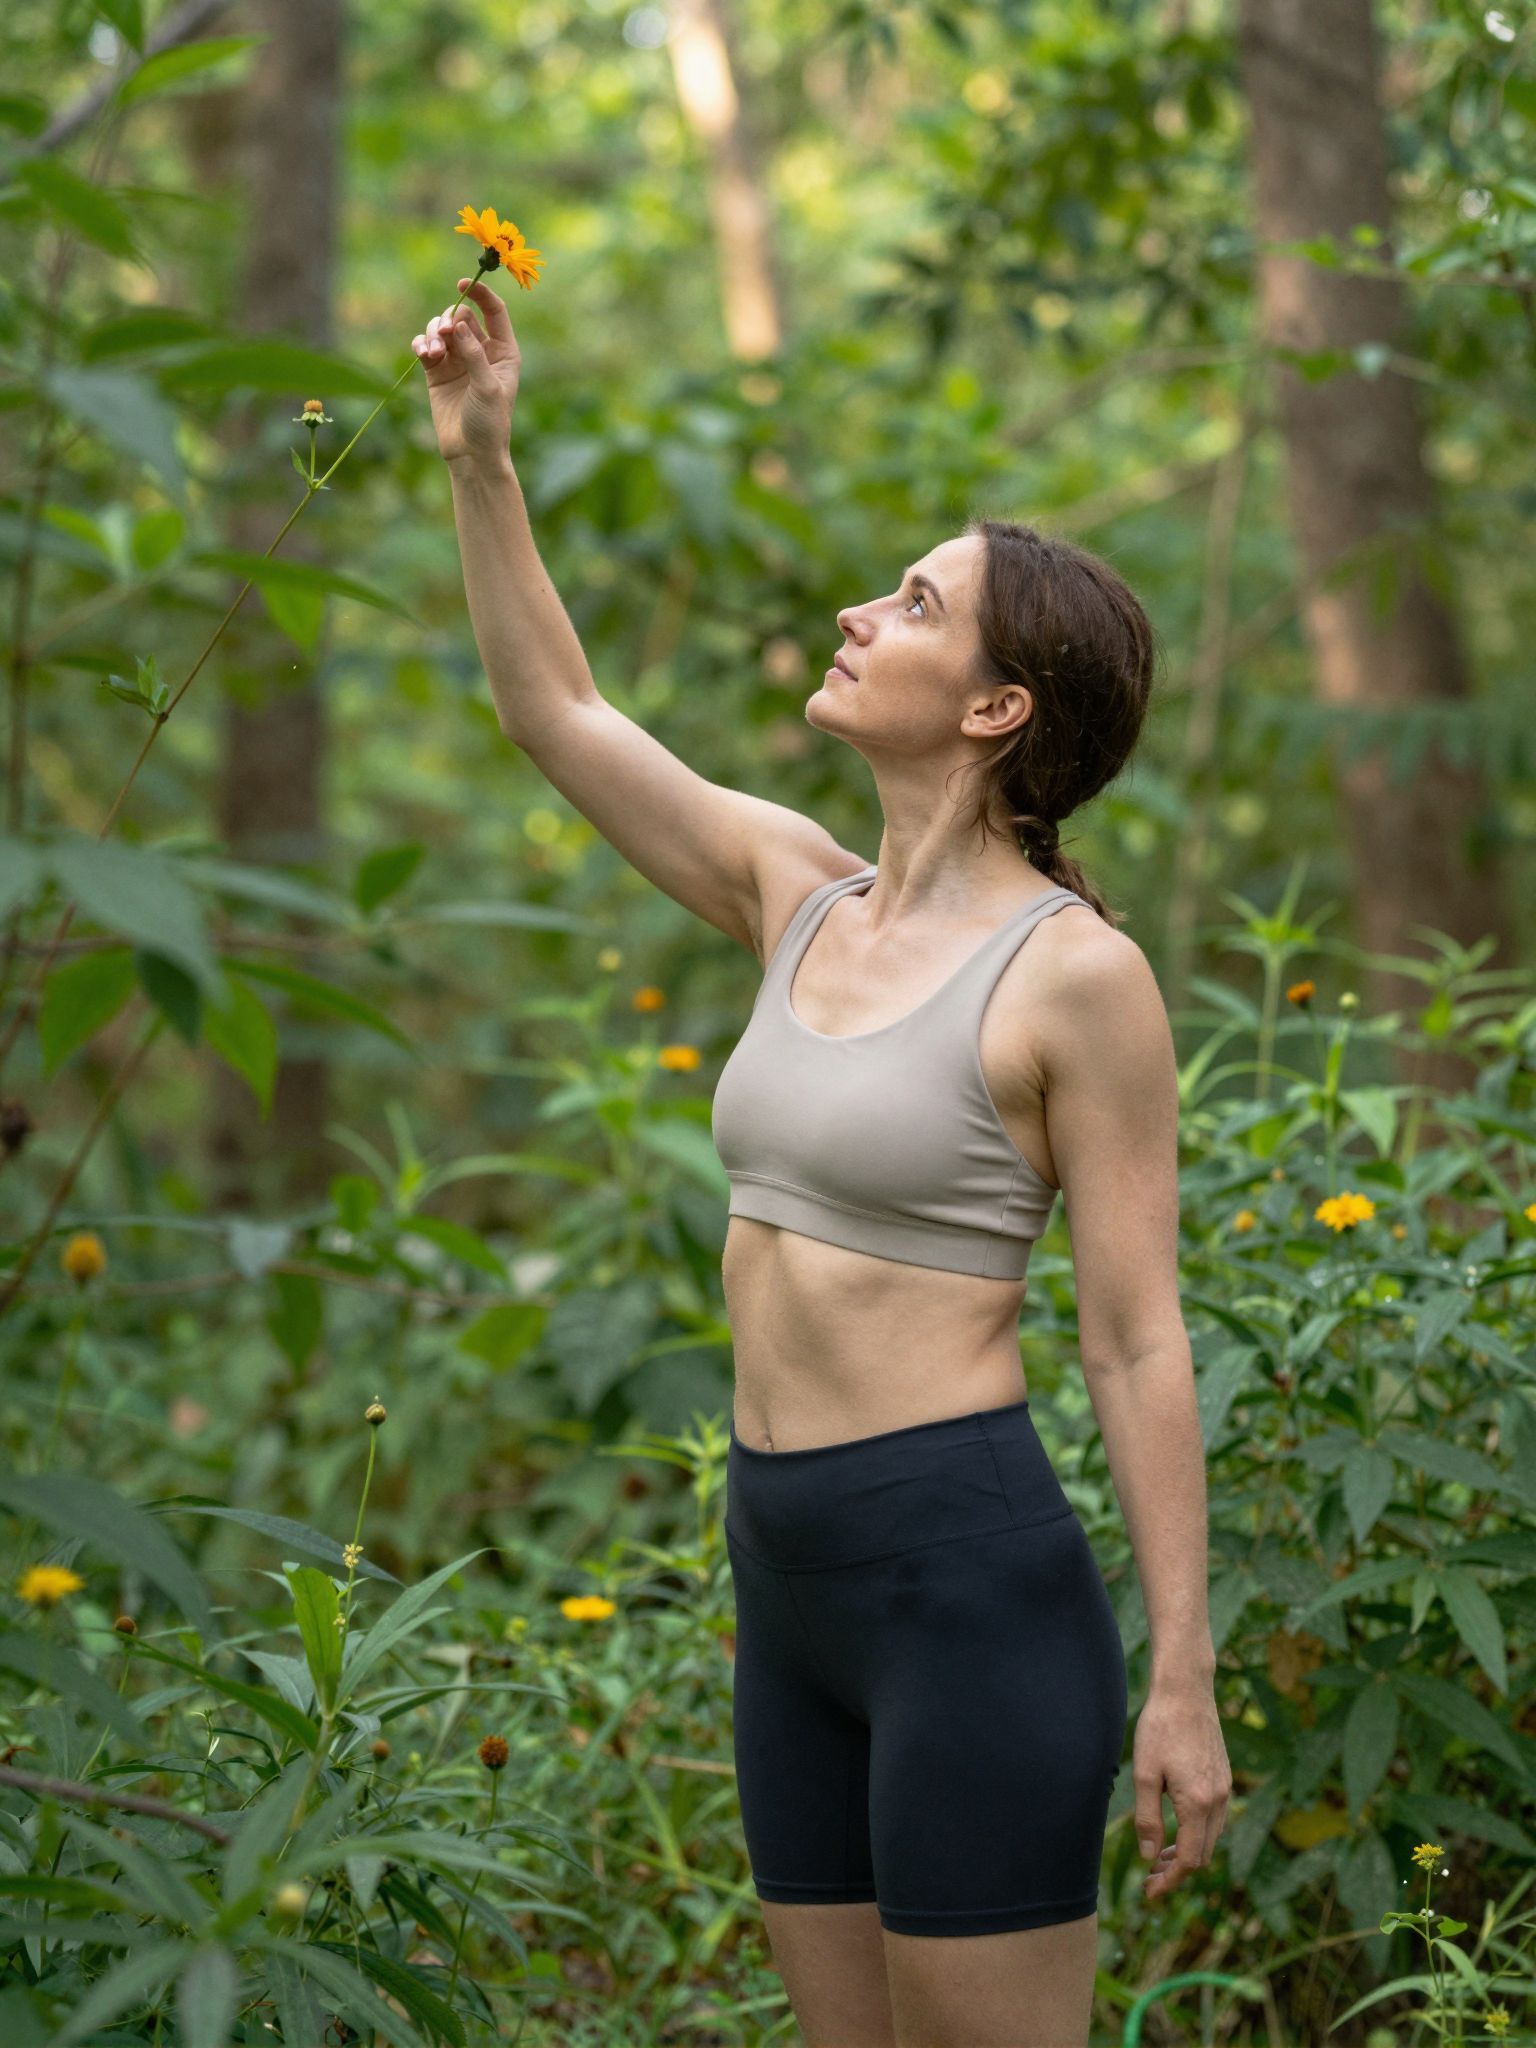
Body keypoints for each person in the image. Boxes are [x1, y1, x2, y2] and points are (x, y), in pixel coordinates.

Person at [413, 278, 1231, 2048]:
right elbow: (559, 712)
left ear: (1002, 707)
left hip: (965, 1586)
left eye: (916, 602)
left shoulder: (1077, 978)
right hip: (782, 1573)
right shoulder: (793, 889)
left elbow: (1136, 1337)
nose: (863, 612)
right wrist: (483, 461)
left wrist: (1187, 1677)